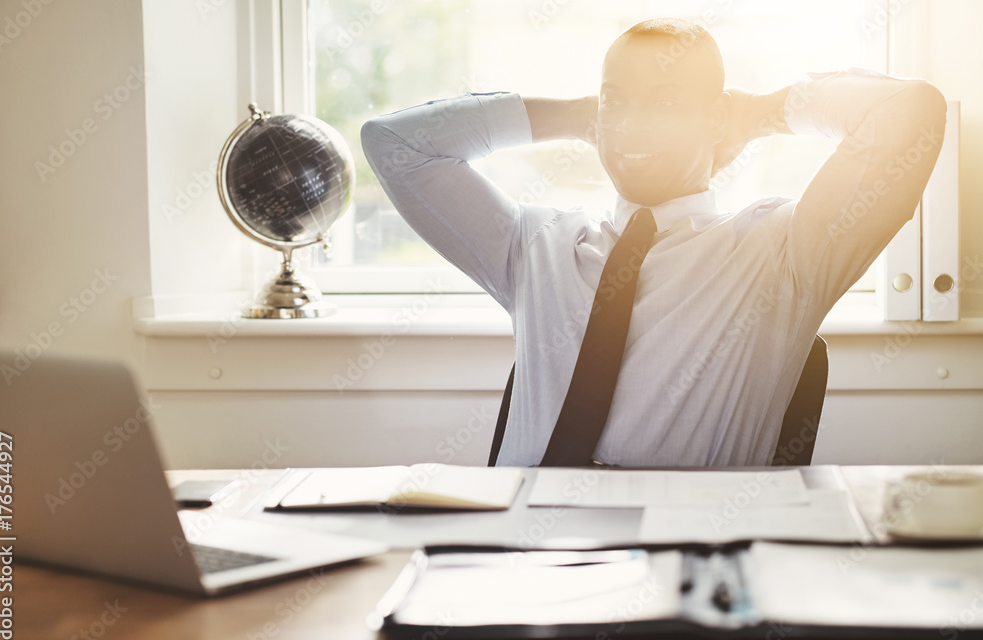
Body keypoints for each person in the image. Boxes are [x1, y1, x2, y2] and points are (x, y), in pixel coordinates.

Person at [360, 18, 947, 467]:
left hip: (689, 571)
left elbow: (909, 111)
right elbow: (393, 144)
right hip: (515, 571)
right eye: (618, 100)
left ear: (716, 117)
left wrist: (767, 112)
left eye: (665, 102)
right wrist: (576, 115)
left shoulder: (783, 253)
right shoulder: (535, 244)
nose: (633, 124)